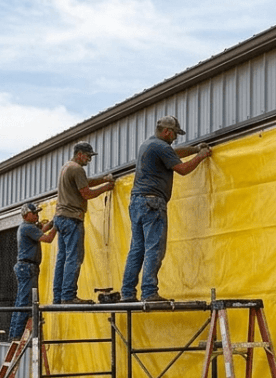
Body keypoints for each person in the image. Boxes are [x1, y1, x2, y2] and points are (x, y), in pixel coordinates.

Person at [120, 115, 213, 302]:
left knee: (137, 249)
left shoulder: (149, 145)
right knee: (155, 247)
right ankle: (149, 292)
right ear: (167, 131)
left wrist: (194, 148)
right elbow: (183, 169)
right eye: (175, 134)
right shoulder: (161, 147)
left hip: (137, 202)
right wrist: (200, 156)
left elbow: (174, 153)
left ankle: (128, 293)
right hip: (152, 203)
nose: (175, 138)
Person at [52, 142, 115, 304]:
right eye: (88, 156)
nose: (89, 160)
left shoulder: (67, 167)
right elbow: (86, 193)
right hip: (72, 218)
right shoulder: (77, 169)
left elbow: (85, 182)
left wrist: (102, 179)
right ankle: (68, 295)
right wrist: (107, 187)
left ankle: (58, 296)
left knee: (62, 258)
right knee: (74, 257)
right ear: (79, 154)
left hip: (61, 217)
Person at [9, 201, 55, 339]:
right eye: (34, 213)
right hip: (27, 267)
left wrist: (52, 223)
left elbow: (42, 230)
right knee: (24, 301)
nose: (37, 215)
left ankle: (15, 333)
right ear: (27, 214)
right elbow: (47, 238)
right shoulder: (27, 227)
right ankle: (16, 335)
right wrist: (57, 225)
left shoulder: (27, 227)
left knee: (22, 300)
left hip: (26, 267)